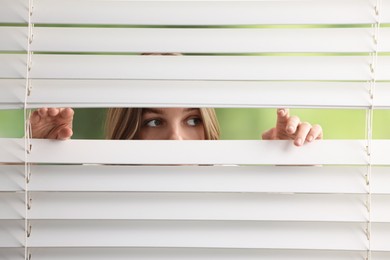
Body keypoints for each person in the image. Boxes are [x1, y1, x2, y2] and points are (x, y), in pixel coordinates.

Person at [30, 107, 323, 146]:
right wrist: (29, 159)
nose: (176, 139)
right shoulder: (86, 194)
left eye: (192, 120)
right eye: (154, 121)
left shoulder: (236, 192)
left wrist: (293, 174)